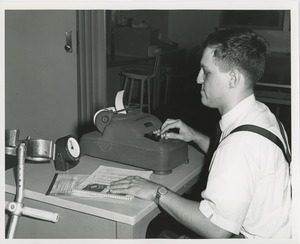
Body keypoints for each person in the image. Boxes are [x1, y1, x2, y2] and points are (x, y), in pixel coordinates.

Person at [109, 28, 292, 239]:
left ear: (233, 79)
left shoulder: (240, 146)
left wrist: (156, 191)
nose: (198, 79)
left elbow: (215, 228)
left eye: (206, 71)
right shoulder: (262, 115)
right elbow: (244, 168)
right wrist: (196, 137)